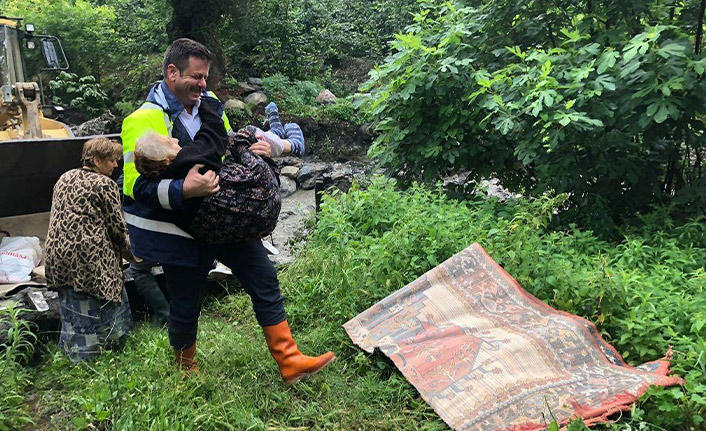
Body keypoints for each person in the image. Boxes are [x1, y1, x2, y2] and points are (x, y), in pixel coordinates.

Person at [121, 38, 335, 381]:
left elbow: (226, 151)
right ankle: (186, 370)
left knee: (263, 275)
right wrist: (183, 189)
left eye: (205, 77)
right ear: (172, 72)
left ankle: (289, 360)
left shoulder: (210, 105)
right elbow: (135, 188)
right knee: (186, 301)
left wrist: (256, 147)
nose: (203, 84)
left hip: (224, 217)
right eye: (196, 76)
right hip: (182, 231)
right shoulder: (142, 120)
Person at [45, 137, 136, 361]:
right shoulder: (105, 184)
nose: (116, 165)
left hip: (57, 254)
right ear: (96, 160)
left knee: (72, 304)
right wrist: (135, 255)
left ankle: (73, 352)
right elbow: (117, 228)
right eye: (112, 160)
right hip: (88, 257)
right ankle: (106, 351)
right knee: (103, 300)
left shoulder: (64, 177)